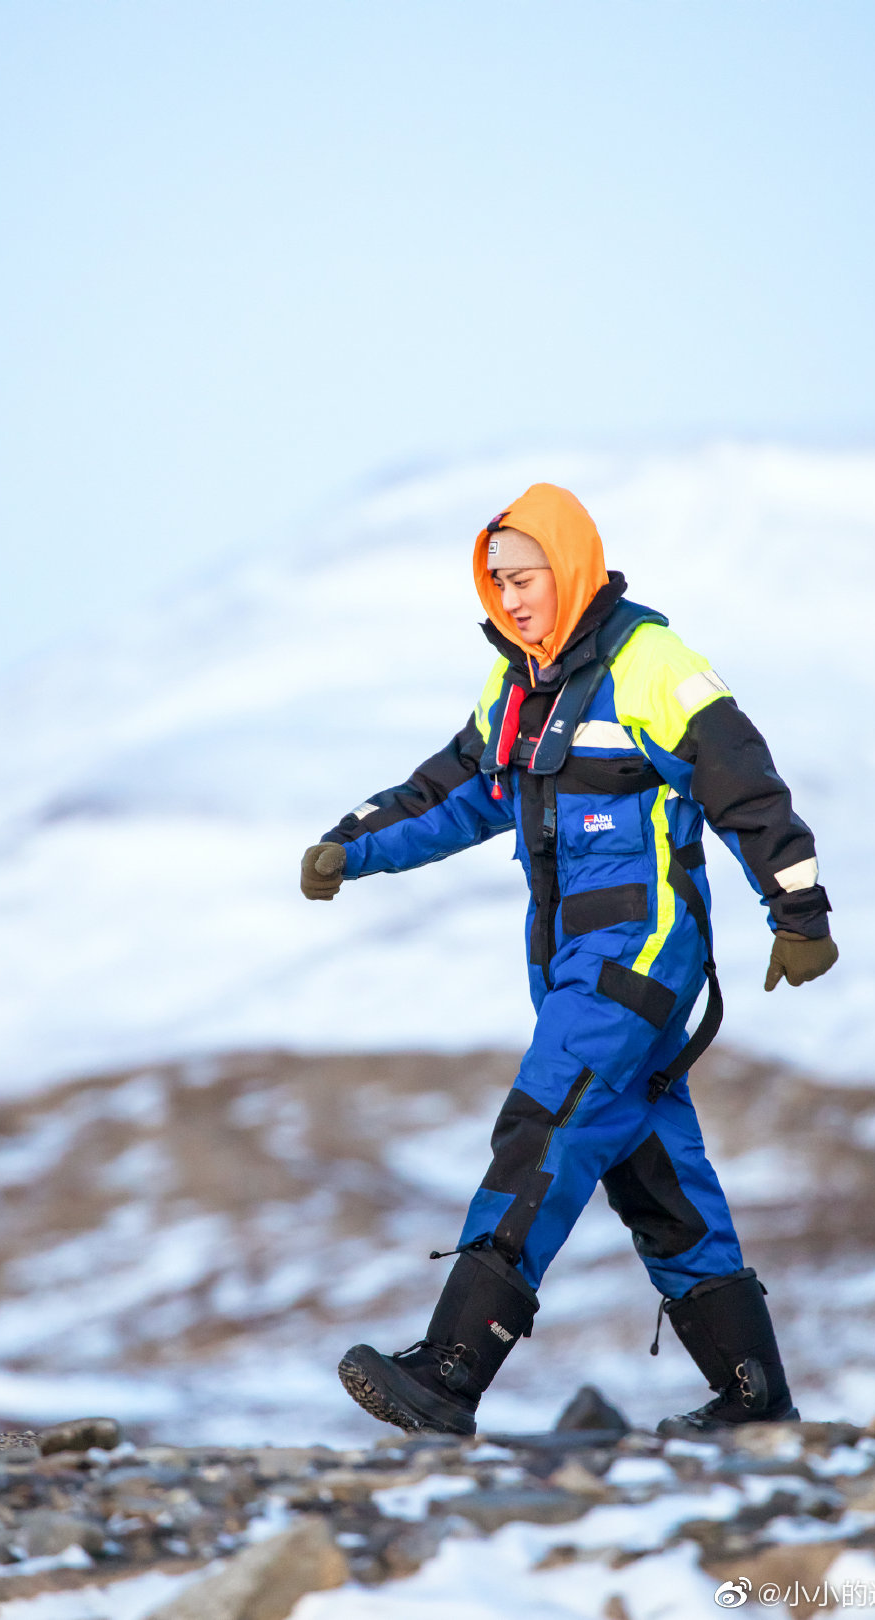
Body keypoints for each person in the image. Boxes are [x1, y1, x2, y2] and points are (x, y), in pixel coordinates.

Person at [300, 482, 838, 1438]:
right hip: (571, 971)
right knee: (655, 1178)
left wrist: (797, 909)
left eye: (524, 577)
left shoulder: (652, 664)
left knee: (545, 1122)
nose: (509, 598)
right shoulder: (518, 689)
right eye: (496, 581)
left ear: (571, 565)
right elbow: (454, 791)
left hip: (642, 962)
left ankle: (452, 1369)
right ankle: (757, 1401)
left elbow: (743, 781)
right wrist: (354, 845)